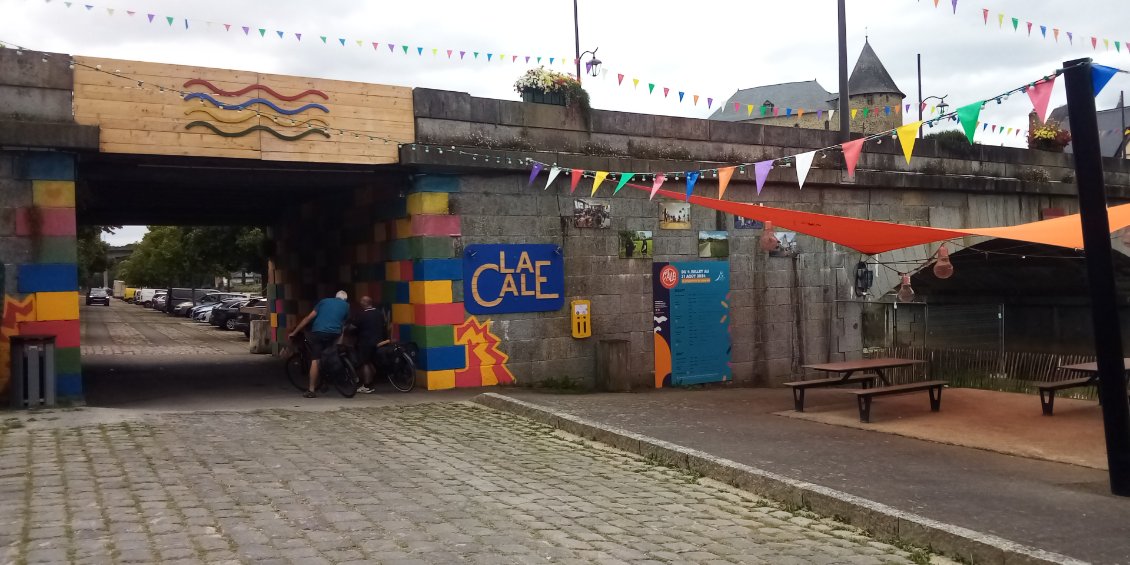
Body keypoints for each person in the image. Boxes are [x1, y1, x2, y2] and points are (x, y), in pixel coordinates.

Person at [288, 290, 350, 398]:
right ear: (345, 299)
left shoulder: (324, 302)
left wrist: (294, 332)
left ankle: (311, 390)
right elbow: (343, 325)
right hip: (335, 333)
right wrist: (340, 342)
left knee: (315, 359)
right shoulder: (346, 306)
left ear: (335, 297)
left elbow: (308, 318)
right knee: (330, 353)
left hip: (319, 332)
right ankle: (328, 376)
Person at [352, 296, 388, 394]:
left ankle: (367, 385)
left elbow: (353, 327)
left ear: (364, 303)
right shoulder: (379, 313)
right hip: (379, 341)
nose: (360, 302)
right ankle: (371, 381)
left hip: (366, 342)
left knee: (365, 362)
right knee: (370, 362)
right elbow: (384, 325)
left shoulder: (362, 315)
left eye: (361, 301)